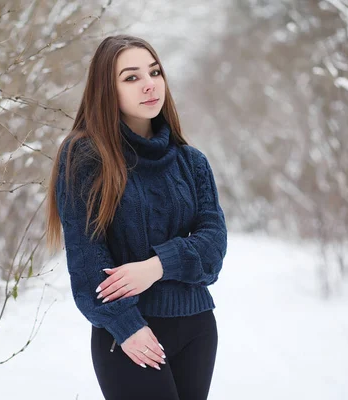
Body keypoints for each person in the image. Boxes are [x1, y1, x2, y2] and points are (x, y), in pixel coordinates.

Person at [45, 35, 227, 400]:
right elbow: (87, 263)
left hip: (197, 328)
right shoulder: (84, 157)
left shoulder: (191, 162)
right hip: (128, 335)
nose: (149, 84)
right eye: (131, 77)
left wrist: (156, 266)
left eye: (154, 72)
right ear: (105, 90)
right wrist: (127, 327)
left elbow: (213, 248)